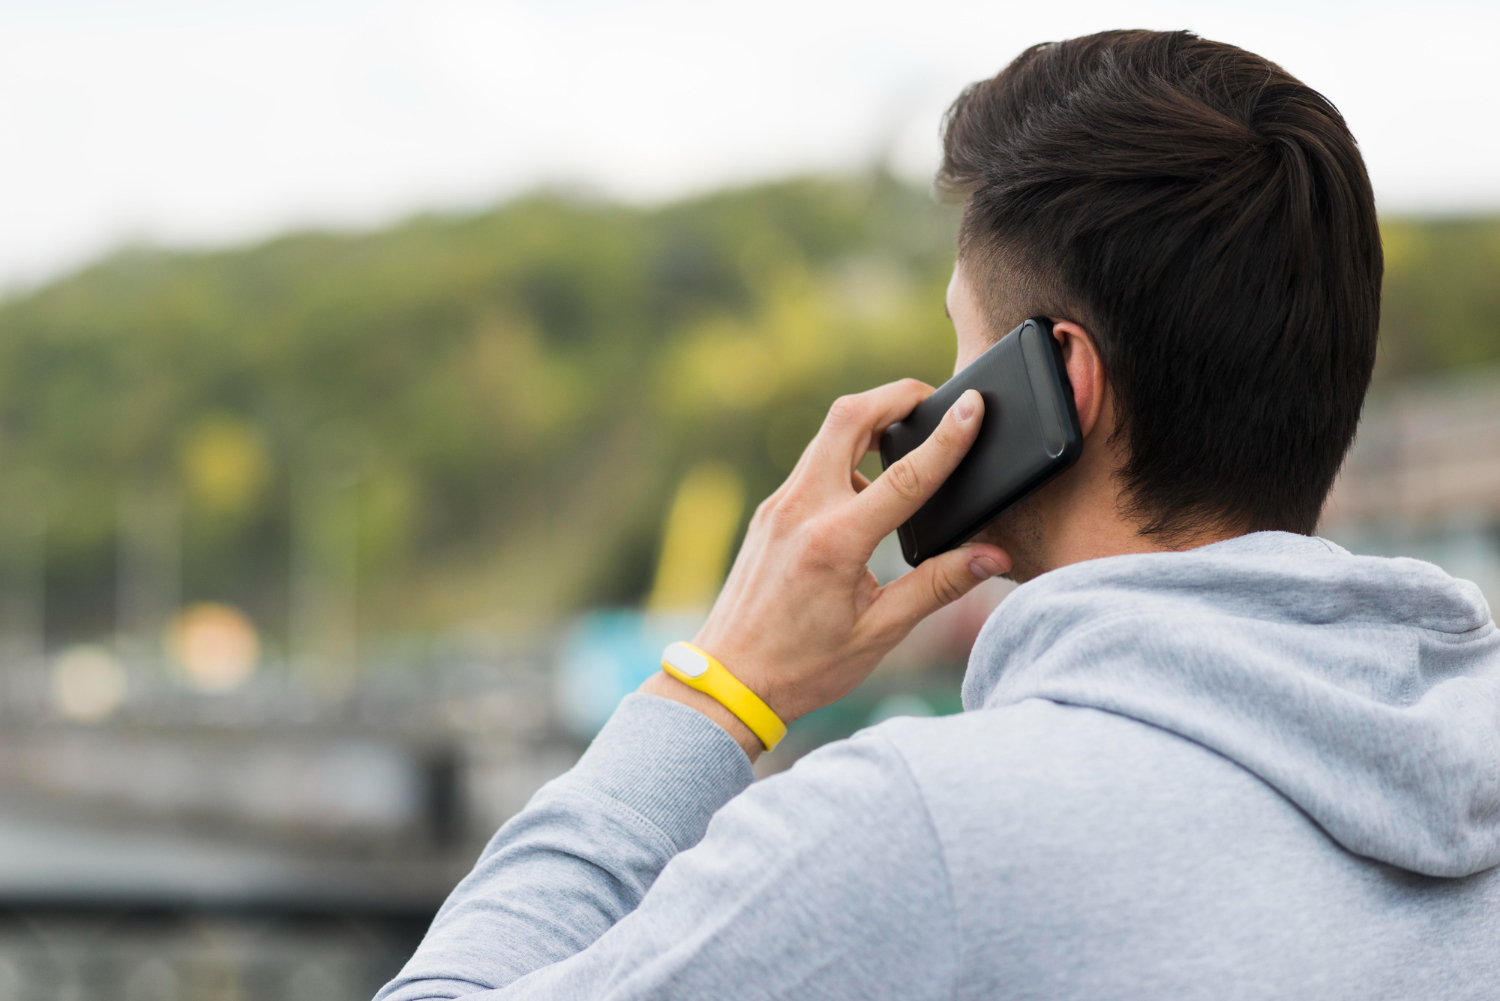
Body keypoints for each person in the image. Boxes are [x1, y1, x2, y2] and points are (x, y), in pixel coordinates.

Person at [377, 30, 1500, 1000]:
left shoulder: (915, 832)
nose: (940, 392)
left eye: (964, 346)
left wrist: (716, 685)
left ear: (1059, 380)